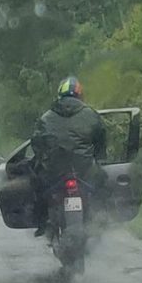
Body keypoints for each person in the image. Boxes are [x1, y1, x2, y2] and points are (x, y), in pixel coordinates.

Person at [30, 77, 107, 237]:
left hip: (54, 171)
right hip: (83, 170)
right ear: (80, 96)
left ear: (60, 95)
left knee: (36, 187)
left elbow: (36, 143)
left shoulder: (46, 117)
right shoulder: (91, 115)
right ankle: (101, 218)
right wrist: (100, 159)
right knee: (101, 184)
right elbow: (101, 139)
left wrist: (41, 159)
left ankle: (41, 223)